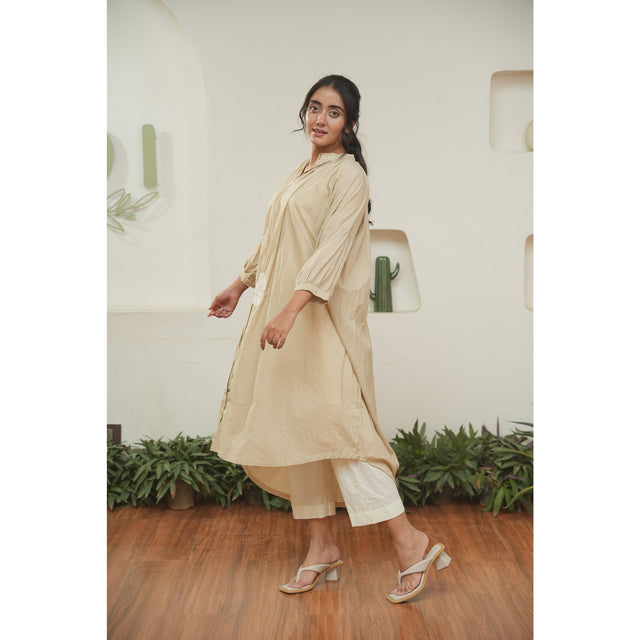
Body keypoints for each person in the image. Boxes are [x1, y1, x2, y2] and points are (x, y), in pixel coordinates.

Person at [208, 74, 450, 603]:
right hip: (286, 324)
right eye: (314, 108)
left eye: (333, 112)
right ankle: (321, 548)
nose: (320, 119)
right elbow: (275, 241)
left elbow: (331, 252)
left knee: (345, 432)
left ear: (351, 123)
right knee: (299, 430)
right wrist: (240, 285)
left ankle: (411, 543)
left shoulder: (349, 177)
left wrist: (289, 310)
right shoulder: (302, 172)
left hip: (318, 323)